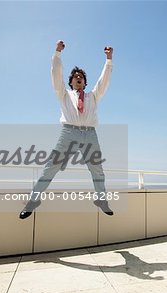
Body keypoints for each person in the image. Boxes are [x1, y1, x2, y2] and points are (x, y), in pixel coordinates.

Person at [19, 40, 114, 219]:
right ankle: (33, 200)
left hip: (90, 134)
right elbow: (56, 74)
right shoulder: (63, 94)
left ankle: (101, 199)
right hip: (69, 132)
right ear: (71, 81)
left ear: (85, 82)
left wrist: (108, 60)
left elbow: (104, 82)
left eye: (81, 76)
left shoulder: (92, 96)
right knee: (51, 167)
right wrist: (57, 53)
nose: (78, 77)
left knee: (97, 169)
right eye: (75, 76)